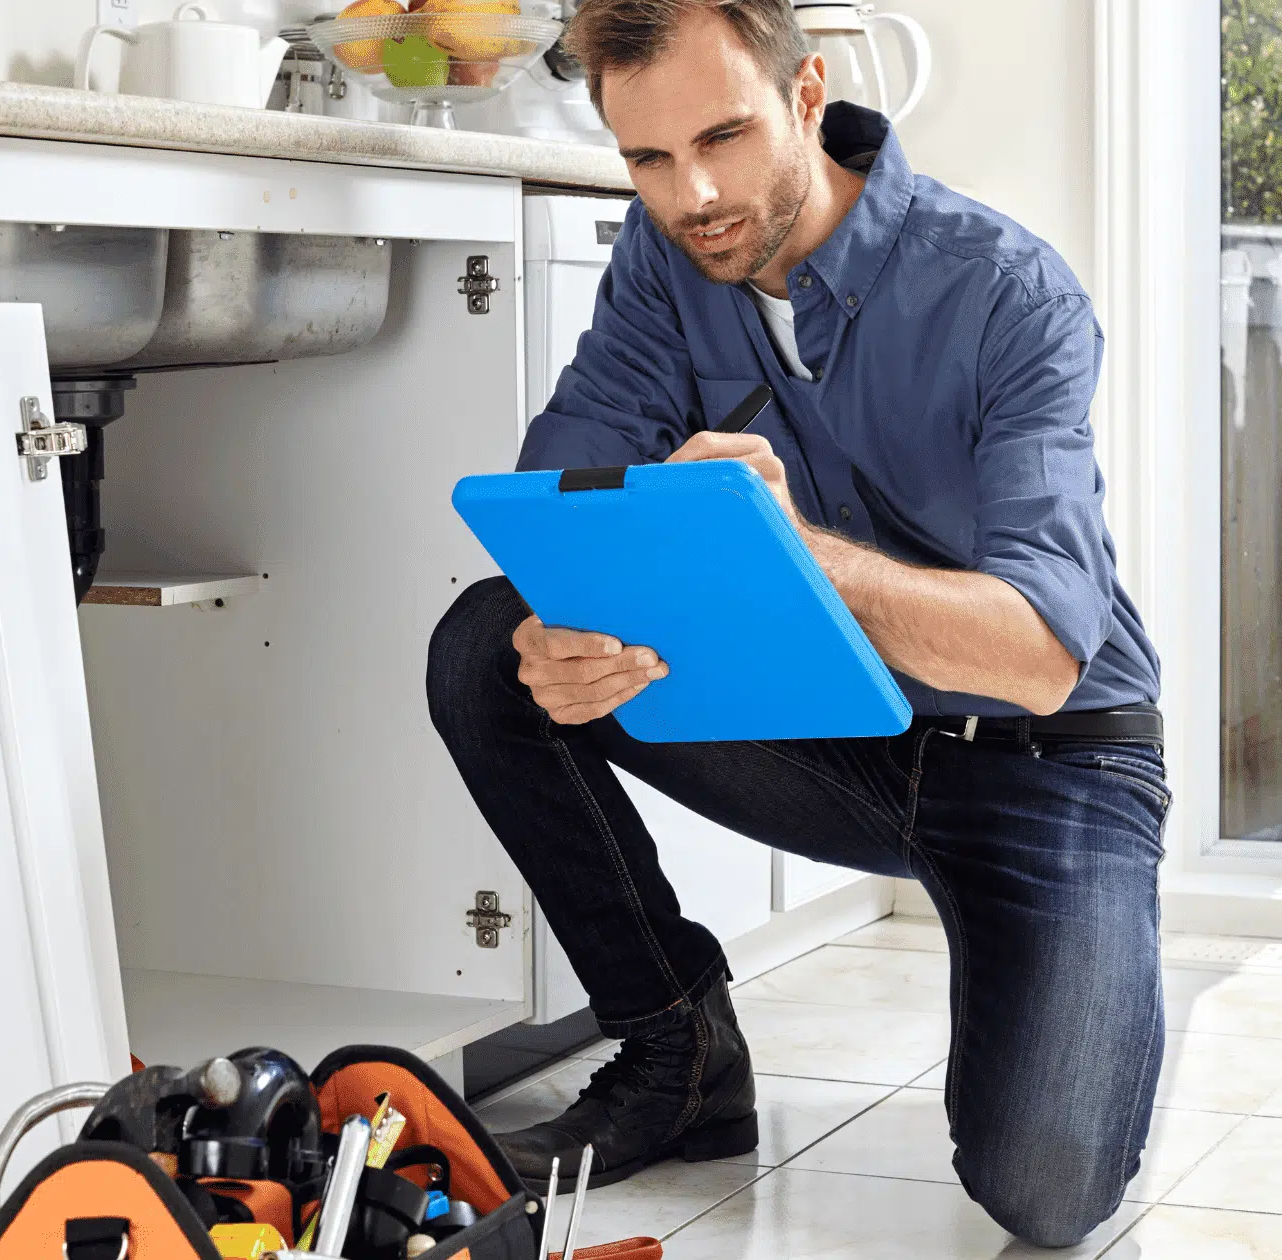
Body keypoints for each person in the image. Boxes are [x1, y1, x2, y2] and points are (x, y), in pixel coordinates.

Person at [424, 0, 1168, 1247]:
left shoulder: (1006, 290)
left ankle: (1059, 962)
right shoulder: (664, 256)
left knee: (1044, 1192)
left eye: (721, 137)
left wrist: (796, 551)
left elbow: (1041, 653)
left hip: (1047, 763)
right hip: (828, 723)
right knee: (486, 648)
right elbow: (562, 485)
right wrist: (568, 624)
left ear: (806, 93)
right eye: (648, 158)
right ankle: (677, 1060)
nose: (694, 194)